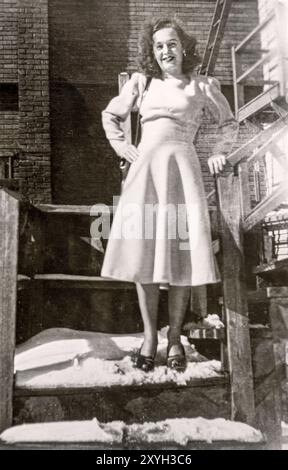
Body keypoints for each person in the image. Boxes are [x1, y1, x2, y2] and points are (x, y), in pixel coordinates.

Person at [101, 17, 238, 372]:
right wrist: (123, 147)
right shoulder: (142, 83)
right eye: (159, 46)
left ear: (184, 47)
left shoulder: (202, 86)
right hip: (145, 174)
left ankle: (174, 338)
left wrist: (221, 151)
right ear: (152, 51)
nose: (166, 51)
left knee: (180, 259)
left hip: (182, 175)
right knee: (143, 256)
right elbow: (111, 116)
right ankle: (150, 337)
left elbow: (229, 123)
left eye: (172, 44)